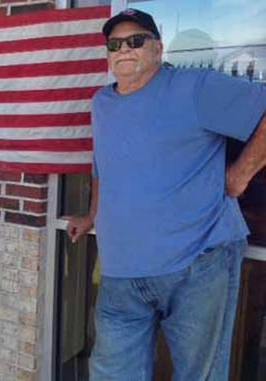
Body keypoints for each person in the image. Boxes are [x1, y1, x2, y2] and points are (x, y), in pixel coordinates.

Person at [67, 9, 266, 381]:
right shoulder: (102, 103)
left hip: (197, 264)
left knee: (198, 375)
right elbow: (103, 166)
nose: (124, 48)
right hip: (121, 274)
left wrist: (240, 176)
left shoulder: (196, 87)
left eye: (135, 40)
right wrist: (92, 215)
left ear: (158, 48)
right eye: (114, 44)